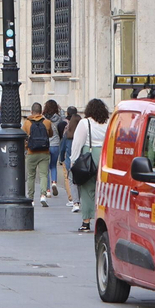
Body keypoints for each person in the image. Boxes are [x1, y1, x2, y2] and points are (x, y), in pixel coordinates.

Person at [70, 99, 109, 234]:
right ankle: (103, 219)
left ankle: (86, 221)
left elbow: (77, 143)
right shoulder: (108, 123)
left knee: (87, 188)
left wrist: (73, 160)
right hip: (105, 156)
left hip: (89, 156)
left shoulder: (85, 123)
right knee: (103, 189)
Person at [23, 101, 54, 208]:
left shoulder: (27, 123)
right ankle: (43, 195)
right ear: (41, 112)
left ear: (31, 111)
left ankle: (31, 198)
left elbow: (23, 137)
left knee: (31, 176)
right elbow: (50, 134)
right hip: (44, 152)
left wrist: (26, 147)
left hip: (31, 152)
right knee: (43, 175)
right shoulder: (47, 122)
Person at [60, 106, 81, 208]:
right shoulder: (82, 136)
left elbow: (62, 149)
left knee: (70, 180)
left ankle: (73, 200)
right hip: (81, 162)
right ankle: (78, 200)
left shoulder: (67, 135)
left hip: (69, 161)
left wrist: (61, 159)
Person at [43, 98, 64, 202]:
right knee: (53, 166)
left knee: (46, 168)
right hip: (55, 144)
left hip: (46, 144)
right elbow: (64, 121)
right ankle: (54, 183)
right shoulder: (59, 118)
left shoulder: (43, 119)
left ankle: (47, 191)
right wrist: (61, 110)